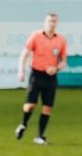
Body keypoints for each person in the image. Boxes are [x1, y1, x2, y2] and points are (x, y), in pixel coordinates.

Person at [15, 13, 66, 145]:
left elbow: (63, 61)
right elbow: (24, 54)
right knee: (30, 106)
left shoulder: (60, 40)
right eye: (49, 21)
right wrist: (20, 70)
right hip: (36, 75)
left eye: (54, 21)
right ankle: (23, 124)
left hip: (50, 77)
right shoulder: (36, 36)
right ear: (44, 22)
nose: (52, 23)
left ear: (57, 23)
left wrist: (56, 68)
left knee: (47, 108)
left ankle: (39, 136)